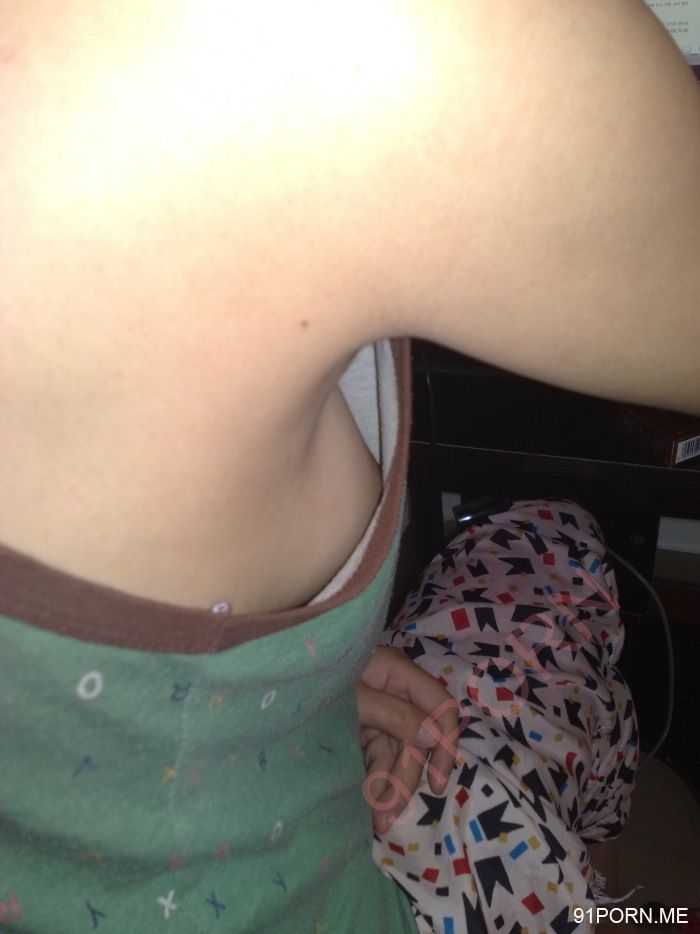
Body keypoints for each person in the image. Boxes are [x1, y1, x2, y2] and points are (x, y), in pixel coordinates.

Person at [0, 0, 698, 931]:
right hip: (341, 899)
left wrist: (278, 690)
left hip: (235, 763)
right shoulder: (363, 40)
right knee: (560, 562)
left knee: (547, 544)